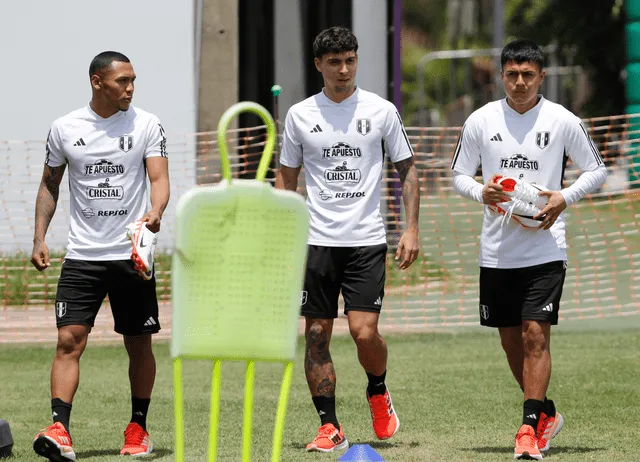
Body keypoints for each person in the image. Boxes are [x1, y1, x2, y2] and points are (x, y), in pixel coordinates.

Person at [451, 39, 607, 460]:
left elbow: (597, 170)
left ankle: (526, 429)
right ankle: (545, 413)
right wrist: (479, 192)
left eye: (528, 75)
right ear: (502, 76)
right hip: (497, 251)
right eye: (512, 74)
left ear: (541, 77)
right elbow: (459, 176)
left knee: (536, 334)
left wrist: (563, 198)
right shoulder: (481, 121)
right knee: (511, 343)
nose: (520, 82)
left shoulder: (561, 120)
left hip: (545, 248)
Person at [275, 26, 420, 453]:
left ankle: (377, 387)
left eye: (350, 60)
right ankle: (330, 425)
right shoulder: (301, 115)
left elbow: (407, 170)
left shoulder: (381, 110)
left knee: (363, 332)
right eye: (335, 62)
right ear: (319, 65)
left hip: (366, 240)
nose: (344, 69)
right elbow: (286, 176)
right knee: (316, 334)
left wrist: (410, 228)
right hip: (316, 242)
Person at [30, 51, 170, 461]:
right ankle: (60, 429)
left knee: (138, 344)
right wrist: (39, 236)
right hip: (83, 257)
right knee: (68, 341)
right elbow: (49, 186)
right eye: (121, 81)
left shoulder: (146, 123)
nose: (130, 88)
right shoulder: (64, 128)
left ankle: (138, 429)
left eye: (133, 81)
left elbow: (159, 179)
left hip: (131, 255)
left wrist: (156, 210)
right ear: (97, 82)